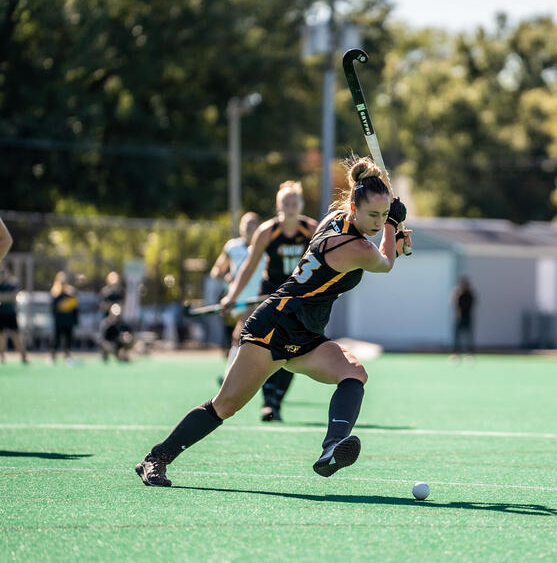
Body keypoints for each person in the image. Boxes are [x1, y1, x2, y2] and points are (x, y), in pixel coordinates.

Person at [135, 155, 411, 487]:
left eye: (383, 215)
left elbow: (383, 251)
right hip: (273, 326)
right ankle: (155, 459)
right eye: (373, 215)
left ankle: (331, 448)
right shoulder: (354, 247)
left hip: (306, 334)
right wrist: (394, 229)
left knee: (354, 373)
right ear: (353, 209)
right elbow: (383, 263)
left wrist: (391, 235)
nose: (378, 221)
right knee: (225, 405)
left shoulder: (334, 220)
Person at [224, 181, 317, 422]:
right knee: (264, 349)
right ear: (278, 205)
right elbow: (249, 266)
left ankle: (275, 400)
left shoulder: (311, 230)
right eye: (285, 202)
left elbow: (325, 264)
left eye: (294, 202)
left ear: (301, 204)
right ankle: (268, 402)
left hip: (299, 299)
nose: (290, 206)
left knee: (293, 352)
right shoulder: (267, 231)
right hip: (271, 297)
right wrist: (232, 296)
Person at [209, 211, 264, 366]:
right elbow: (216, 271)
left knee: (241, 335)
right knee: (239, 337)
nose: (248, 228)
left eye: (252, 225)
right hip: (236, 300)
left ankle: (233, 376)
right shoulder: (232, 247)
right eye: (245, 224)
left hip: (258, 299)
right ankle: (233, 376)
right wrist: (225, 276)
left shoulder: (264, 248)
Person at [50, 271, 79, 365]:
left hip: (68, 320)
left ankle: (68, 356)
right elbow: (54, 307)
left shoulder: (70, 292)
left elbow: (75, 307)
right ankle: (53, 355)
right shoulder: (55, 292)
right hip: (59, 320)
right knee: (56, 338)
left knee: (68, 339)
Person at [0, 263, 28, 364]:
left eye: (3, 272)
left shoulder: (12, 284)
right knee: (1, 337)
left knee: (16, 336)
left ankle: (23, 357)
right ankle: (2, 358)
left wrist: (4, 297)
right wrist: (7, 297)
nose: (2, 274)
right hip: (0, 314)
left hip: (10, 314)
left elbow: (14, 296)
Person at [451, 275, 476, 360]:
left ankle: (469, 354)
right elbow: (454, 303)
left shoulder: (469, 294)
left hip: (467, 318)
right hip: (459, 318)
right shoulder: (457, 293)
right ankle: (456, 354)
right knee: (457, 337)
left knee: (468, 337)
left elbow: (472, 304)